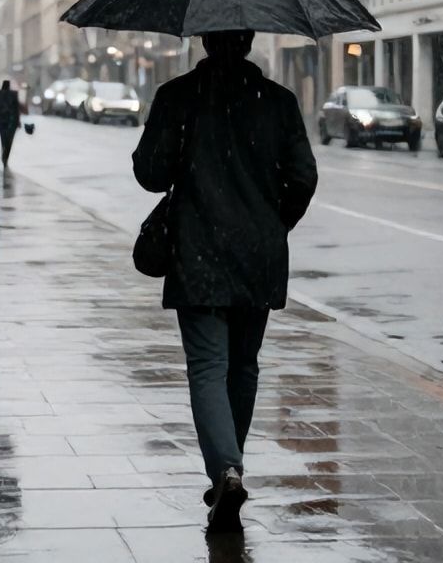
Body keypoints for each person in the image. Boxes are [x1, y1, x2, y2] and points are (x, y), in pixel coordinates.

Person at [132, 30, 317, 534]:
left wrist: (177, 142)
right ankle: (229, 466)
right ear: (250, 39)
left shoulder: (178, 96)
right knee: (243, 365)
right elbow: (303, 177)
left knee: (208, 365)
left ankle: (226, 469)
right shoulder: (278, 101)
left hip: (198, 250)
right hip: (258, 254)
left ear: (203, 39)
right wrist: (272, 224)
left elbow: (150, 173)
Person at [0, 80, 23, 169]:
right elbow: (17, 108)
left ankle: (4, 155)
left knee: (3, 139)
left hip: (1, 121)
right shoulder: (14, 94)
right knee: (9, 140)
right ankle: (5, 157)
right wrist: (18, 121)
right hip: (11, 121)